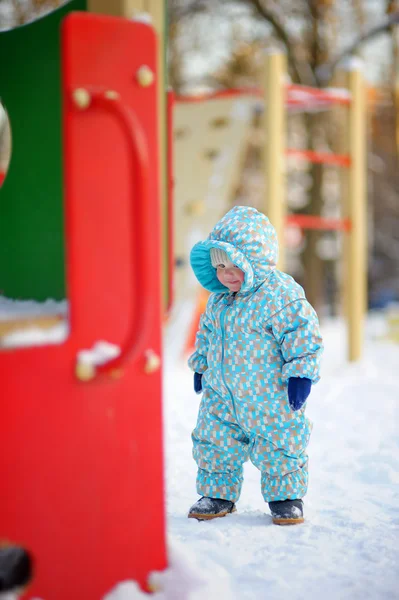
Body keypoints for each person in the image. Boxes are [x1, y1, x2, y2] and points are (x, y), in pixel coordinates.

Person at [187, 206, 323, 525]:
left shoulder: (279, 294)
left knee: (280, 442)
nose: (227, 273)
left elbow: (302, 332)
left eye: (236, 264)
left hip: (270, 398)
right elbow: (207, 333)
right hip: (222, 397)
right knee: (213, 440)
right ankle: (218, 492)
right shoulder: (219, 299)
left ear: (256, 260)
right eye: (220, 266)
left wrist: (300, 374)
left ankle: (285, 495)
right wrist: (201, 365)